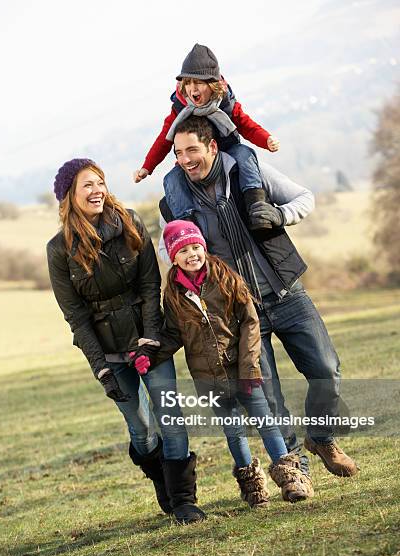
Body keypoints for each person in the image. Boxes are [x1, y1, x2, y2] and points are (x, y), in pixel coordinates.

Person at [157, 116, 359, 484]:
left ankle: (322, 437)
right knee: (270, 399)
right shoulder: (174, 200)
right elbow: (167, 245)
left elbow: (304, 197)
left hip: (286, 293)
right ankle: (296, 473)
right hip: (238, 314)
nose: (185, 159)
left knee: (327, 371)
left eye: (192, 149)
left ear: (212, 146)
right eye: (178, 152)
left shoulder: (247, 170)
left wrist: (280, 214)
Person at [46, 158, 206, 525]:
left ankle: (184, 500)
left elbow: (151, 285)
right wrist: (99, 367)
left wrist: (151, 336)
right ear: (69, 195)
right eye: (87, 185)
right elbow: (76, 316)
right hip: (108, 353)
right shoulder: (58, 250)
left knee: (171, 417)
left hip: (150, 340)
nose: (97, 190)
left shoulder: (130, 222)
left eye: (99, 182)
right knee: (140, 427)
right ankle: (161, 479)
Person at [133, 220, 314, 507]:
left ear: (203, 247)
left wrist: (249, 366)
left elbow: (251, 322)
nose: (192, 254)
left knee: (265, 421)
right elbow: (172, 334)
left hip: (243, 370)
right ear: (173, 257)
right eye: (183, 250)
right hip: (209, 378)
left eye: (196, 247)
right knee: (233, 430)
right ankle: (253, 487)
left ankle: (291, 478)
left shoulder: (225, 278)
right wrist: (150, 356)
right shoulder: (173, 295)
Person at [133, 43, 279, 225]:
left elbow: (246, 125)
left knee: (245, 154)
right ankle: (187, 223)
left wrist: (266, 139)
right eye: (188, 83)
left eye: (199, 83)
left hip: (227, 151)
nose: (192, 89)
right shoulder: (180, 108)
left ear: (212, 84)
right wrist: (147, 167)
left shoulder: (226, 104)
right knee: (172, 179)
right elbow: (164, 139)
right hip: (196, 159)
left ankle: (256, 205)